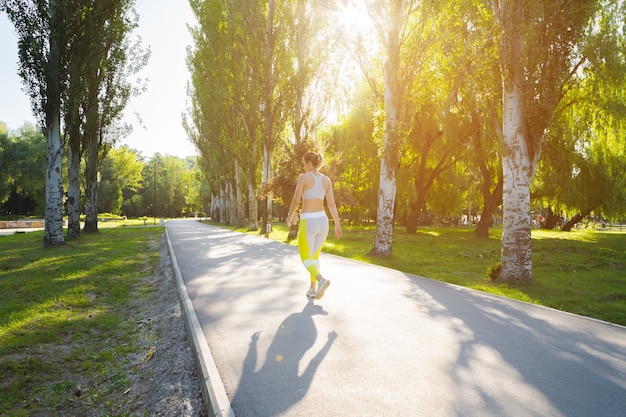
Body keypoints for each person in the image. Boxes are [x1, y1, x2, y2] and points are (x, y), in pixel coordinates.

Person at [287, 151, 342, 299]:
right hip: (323, 221)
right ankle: (312, 289)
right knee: (314, 256)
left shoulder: (303, 177)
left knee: (305, 258)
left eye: (304, 163)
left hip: (309, 221)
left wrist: (290, 216)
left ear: (309, 163)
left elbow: (296, 199)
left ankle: (321, 280)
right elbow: (331, 203)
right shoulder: (326, 180)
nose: (303, 166)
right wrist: (337, 224)